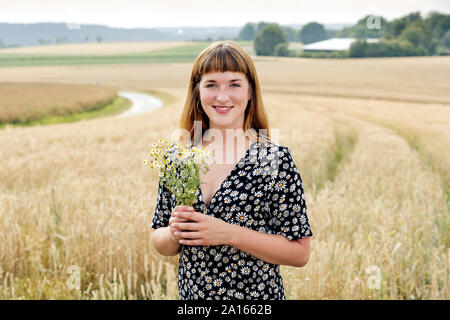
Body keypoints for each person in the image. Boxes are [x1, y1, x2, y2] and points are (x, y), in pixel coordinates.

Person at [150, 40, 313, 300]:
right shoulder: (178, 158)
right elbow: (160, 240)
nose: (222, 96)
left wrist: (228, 233)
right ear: (197, 92)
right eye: (211, 85)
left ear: (250, 92)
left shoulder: (272, 159)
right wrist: (173, 232)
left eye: (234, 84)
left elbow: (300, 253)